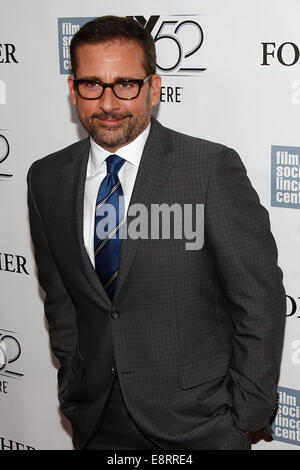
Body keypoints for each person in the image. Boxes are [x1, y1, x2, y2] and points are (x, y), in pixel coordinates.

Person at [27, 15, 286, 450]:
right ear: (73, 90)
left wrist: (243, 420)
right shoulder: (47, 178)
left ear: (154, 88)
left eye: (125, 84)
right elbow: (60, 299)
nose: (108, 103)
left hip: (199, 425)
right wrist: (74, 389)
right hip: (96, 420)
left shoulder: (207, 169)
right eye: (93, 85)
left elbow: (258, 301)